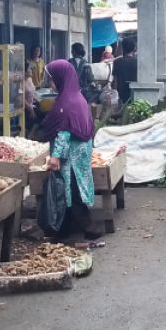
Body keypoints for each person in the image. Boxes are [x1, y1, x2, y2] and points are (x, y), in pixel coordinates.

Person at [43, 59, 102, 241]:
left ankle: (88, 229)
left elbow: (64, 133)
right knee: (71, 191)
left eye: (52, 79)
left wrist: (55, 156)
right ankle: (64, 230)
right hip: (81, 152)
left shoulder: (66, 102)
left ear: (61, 78)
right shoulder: (77, 97)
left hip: (72, 155)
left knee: (72, 191)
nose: (51, 83)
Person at [112, 37, 138, 104]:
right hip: (135, 92)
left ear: (122, 47)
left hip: (121, 93)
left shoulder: (117, 62)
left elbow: (114, 80)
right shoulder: (137, 62)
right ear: (134, 48)